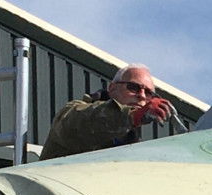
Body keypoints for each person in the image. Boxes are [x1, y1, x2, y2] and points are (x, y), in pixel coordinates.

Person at [40, 64, 194, 159]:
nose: (141, 96)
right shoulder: (76, 111)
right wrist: (132, 115)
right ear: (112, 88)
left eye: (149, 93)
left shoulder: (133, 146)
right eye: (133, 87)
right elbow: (78, 123)